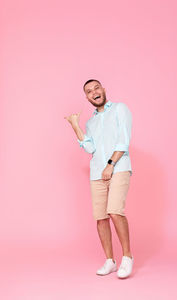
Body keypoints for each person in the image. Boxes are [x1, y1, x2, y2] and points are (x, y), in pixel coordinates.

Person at [65, 79, 134, 279]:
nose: (94, 92)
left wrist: (110, 165)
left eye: (96, 87)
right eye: (89, 91)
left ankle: (127, 258)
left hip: (118, 167)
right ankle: (110, 261)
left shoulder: (120, 109)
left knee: (114, 211)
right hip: (97, 173)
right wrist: (75, 126)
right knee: (101, 218)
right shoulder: (91, 122)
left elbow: (124, 140)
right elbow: (90, 148)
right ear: (87, 98)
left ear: (103, 89)